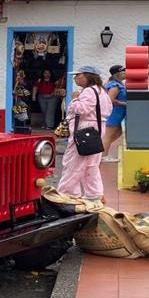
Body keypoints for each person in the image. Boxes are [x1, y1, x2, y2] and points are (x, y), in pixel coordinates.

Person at [57, 66, 114, 199]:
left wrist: (76, 99)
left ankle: (67, 194)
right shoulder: (102, 91)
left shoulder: (88, 91)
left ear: (89, 76)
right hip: (96, 130)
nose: (75, 78)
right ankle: (94, 194)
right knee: (90, 165)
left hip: (85, 130)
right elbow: (108, 109)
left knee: (73, 163)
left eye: (79, 75)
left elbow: (82, 109)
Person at [102, 65, 127, 163]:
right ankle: (103, 156)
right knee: (108, 135)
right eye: (123, 72)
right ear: (117, 74)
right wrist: (125, 103)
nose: (126, 73)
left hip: (118, 113)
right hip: (114, 113)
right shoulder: (115, 86)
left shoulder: (118, 84)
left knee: (117, 133)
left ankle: (101, 151)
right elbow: (110, 100)